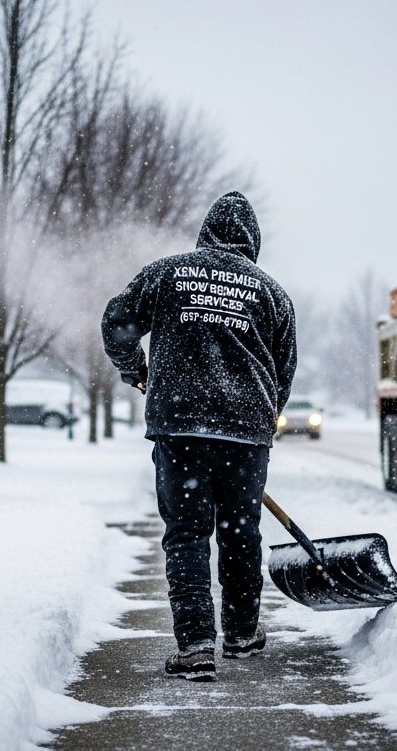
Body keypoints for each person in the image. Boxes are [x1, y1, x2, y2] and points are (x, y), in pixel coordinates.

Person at [101, 191, 297, 682]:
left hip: (181, 424)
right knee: (239, 531)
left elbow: (117, 323)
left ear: (206, 231)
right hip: (245, 433)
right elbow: (283, 373)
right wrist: (260, 416)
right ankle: (242, 632)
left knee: (187, 533)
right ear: (253, 240)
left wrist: (137, 370)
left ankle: (195, 646)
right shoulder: (271, 293)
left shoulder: (167, 273)